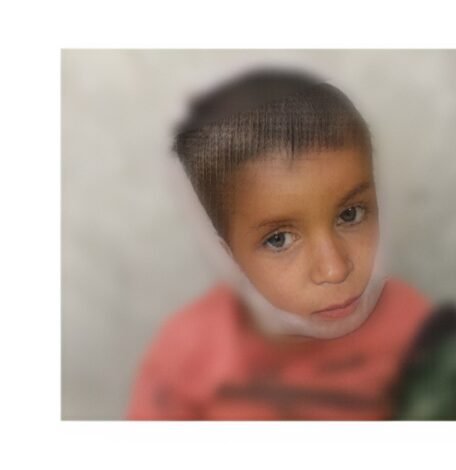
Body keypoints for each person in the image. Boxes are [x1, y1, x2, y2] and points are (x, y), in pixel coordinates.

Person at [127, 68, 432, 420]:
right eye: (279, 239)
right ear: (229, 255)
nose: (334, 269)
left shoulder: (413, 327)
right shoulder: (186, 354)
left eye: (350, 215)